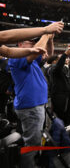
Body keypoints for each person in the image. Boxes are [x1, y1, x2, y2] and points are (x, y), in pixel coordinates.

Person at [8, 34, 54, 168]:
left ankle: (32, 163)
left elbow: (49, 55)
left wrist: (50, 39)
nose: (34, 44)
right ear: (20, 44)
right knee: (32, 144)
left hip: (35, 105)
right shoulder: (17, 57)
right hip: (30, 107)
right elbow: (39, 48)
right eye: (30, 42)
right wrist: (46, 33)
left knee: (35, 140)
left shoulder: (31, 59)